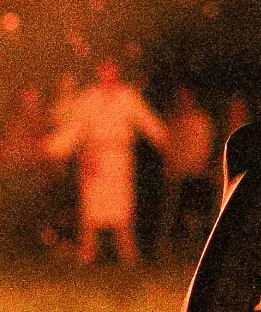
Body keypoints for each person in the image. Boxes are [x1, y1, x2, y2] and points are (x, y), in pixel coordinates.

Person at [43, 61, 166, 265]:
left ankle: (128, 255)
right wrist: (53, 147)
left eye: (112, 68)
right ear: (99, 71)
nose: (108, 73)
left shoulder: (128, 97)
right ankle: (87, 254)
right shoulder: (89, 98)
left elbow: (147, 121)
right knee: (92, 210)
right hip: (94, 158)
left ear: (117, 70)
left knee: (122, 209)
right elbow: (75, 128)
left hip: (120, 159)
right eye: (104, 69)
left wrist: (163, 137)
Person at [159, 88, 219, 252]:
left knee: (198, 210)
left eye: (187, 98)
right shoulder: (173, 121)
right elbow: (168, 146)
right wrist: (171, 167)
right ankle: (167, 246)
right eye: (180, 98)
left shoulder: (201, 120)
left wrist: (203, 165)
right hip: (178, 173)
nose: (184, 102)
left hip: (198, 172)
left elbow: (206, 144)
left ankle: (201, 247)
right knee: (173, 212)